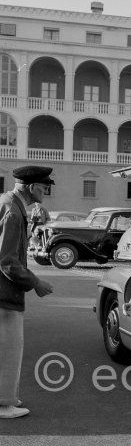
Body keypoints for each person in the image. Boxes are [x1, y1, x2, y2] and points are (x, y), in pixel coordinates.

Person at [0, 166, 55, 419]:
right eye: (44, 188)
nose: (46, 192)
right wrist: (36, 283)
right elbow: (8, 261)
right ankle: (4, 403)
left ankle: (7, 397)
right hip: (5, 294)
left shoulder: (9, 204)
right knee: (10, 348)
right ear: (31, 187)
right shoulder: (13, 211)